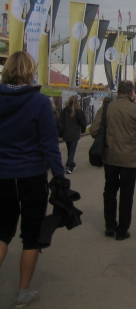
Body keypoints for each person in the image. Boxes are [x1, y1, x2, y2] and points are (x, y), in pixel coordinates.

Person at [0, 51, 66, 308]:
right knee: (31, 235)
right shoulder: (38, 102)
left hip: (2, 176)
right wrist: (59, 176)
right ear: (30, 71)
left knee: (2, 231)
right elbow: (50, 144)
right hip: (32, 175)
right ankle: (23, 292)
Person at [90, 80, 136, 241]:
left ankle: (110, 225)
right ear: (131, 93)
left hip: (110, 157)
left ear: (118, 91)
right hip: (130, 159)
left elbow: (93, 131)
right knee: (127, 195)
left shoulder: (106, 108)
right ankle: (122, 229)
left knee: (110, 192)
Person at [60, 95, 87, 174]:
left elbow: (61, 122)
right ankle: (69, 165)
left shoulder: (64, 110)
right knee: (72, 150)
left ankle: (71, 162)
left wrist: (61, 133)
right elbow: (83, 122)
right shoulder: (79, 111)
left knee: (69, 149)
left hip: (66, 133)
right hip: (74, 134)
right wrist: (83, 130)